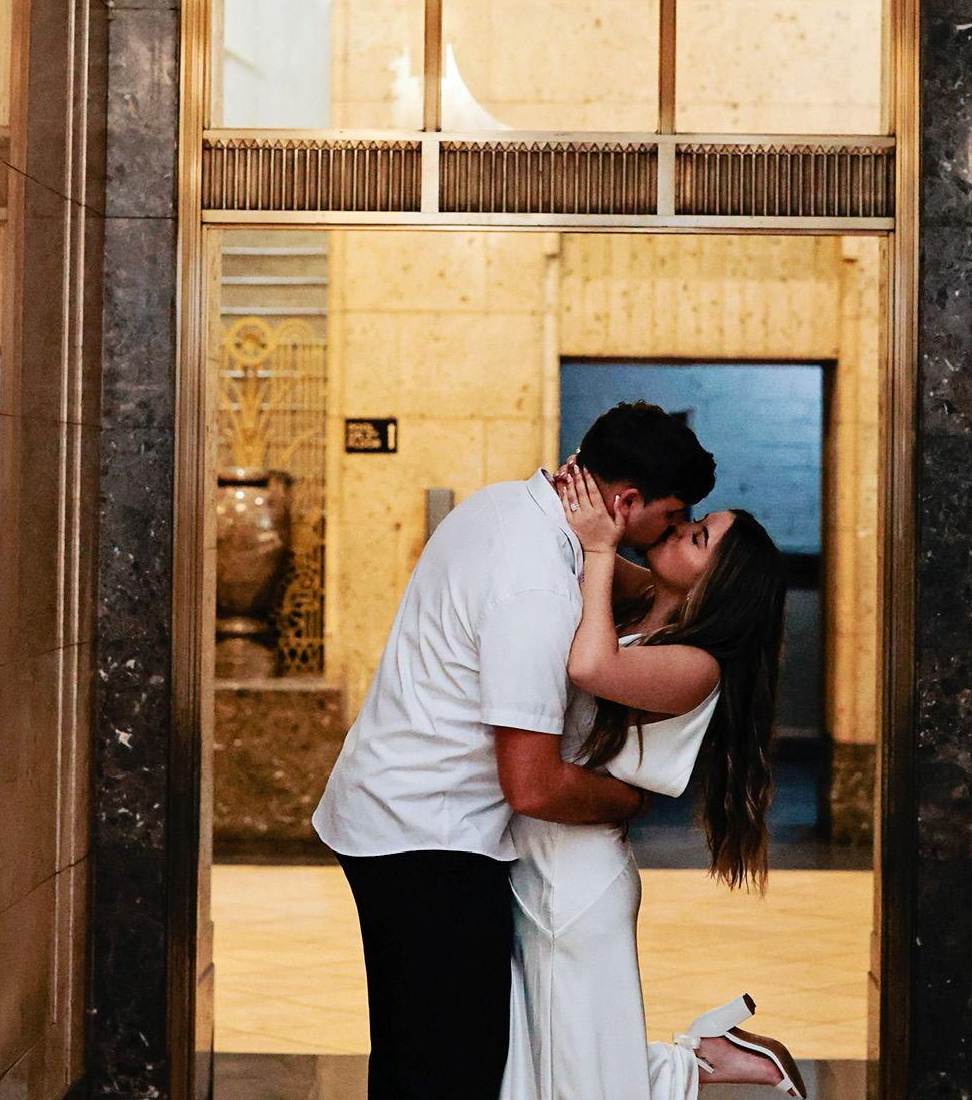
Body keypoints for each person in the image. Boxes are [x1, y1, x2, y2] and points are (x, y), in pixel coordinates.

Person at [311, 403, 716, 1100]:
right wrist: (631, 801)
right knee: (449, 1069)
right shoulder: (536, 583)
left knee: (420, 1050)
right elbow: (533, 785)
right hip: (430, 834)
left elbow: (635, 584)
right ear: (624, 502)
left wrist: (683, 583)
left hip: (394, 808)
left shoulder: (506, 506)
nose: (674, 531)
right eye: (672, 516)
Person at [498, 464, 805, 1100]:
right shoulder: (640, 607)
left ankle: (704, 1065)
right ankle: (709, 1058)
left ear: (720, 584)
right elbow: (575, 542)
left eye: (699, 537)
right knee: (546, 1066)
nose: (681, 528)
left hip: (575, 880)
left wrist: (601, 548)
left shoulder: (696, 665)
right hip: (536, 855)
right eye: (693, 521)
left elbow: (590, 667)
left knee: (582, 1080)